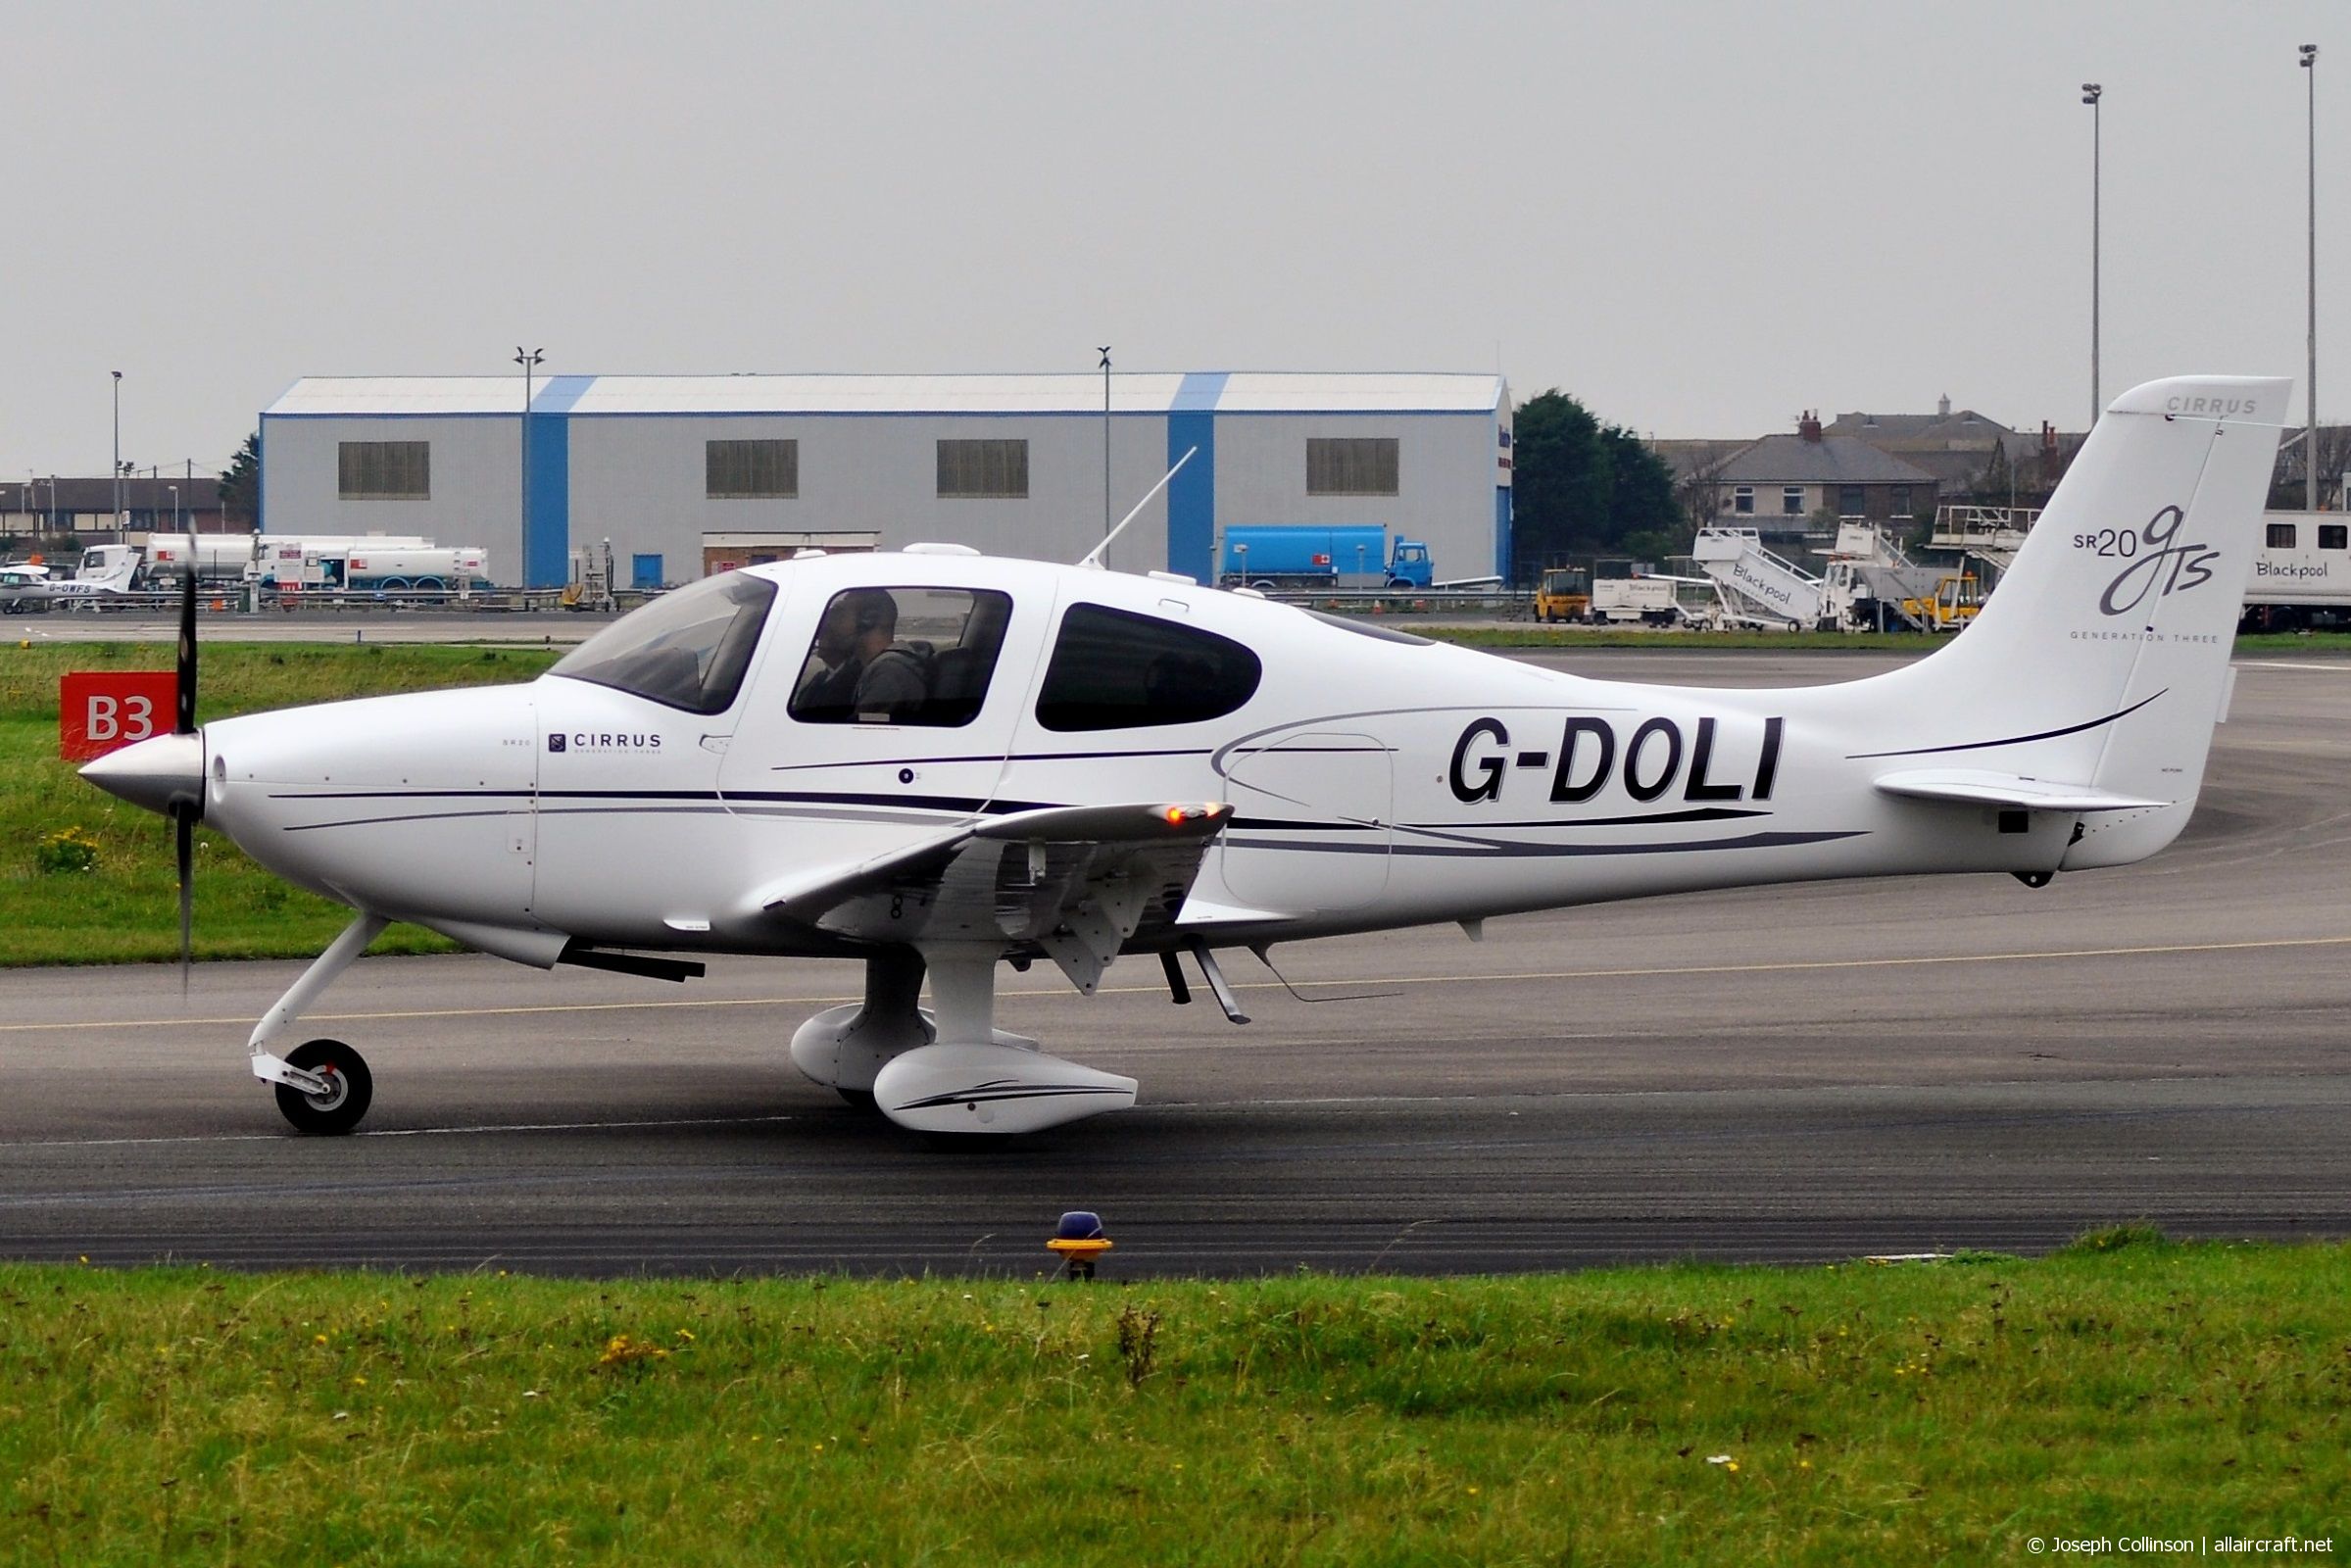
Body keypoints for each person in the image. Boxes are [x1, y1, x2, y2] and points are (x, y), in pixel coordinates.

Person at [794, 588, 928, 720]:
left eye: (839, 614)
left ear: (868, 620)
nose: (829, 624)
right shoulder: (876, 667)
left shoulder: (891, 672)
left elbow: (863, 730)